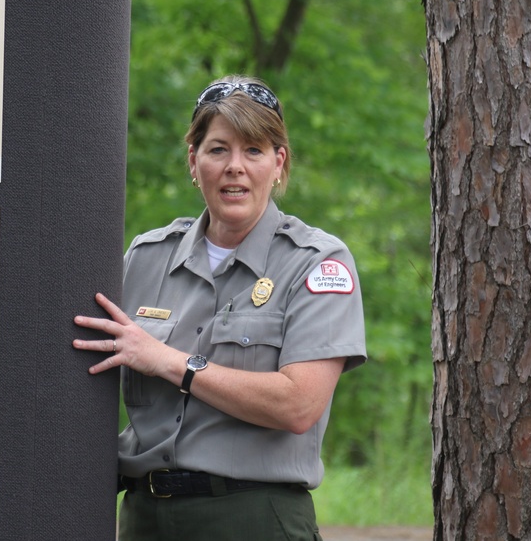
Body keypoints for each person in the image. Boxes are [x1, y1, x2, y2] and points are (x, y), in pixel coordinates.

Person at [73, 76, 367, 540]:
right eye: (217, 150)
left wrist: (171, 362)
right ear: (193, 161)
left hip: (253, 518)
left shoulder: (317, 264)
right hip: (143, 519)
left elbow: (299, 404)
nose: (236, 167)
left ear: (278, 163)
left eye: (253, 150)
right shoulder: (144, 259)